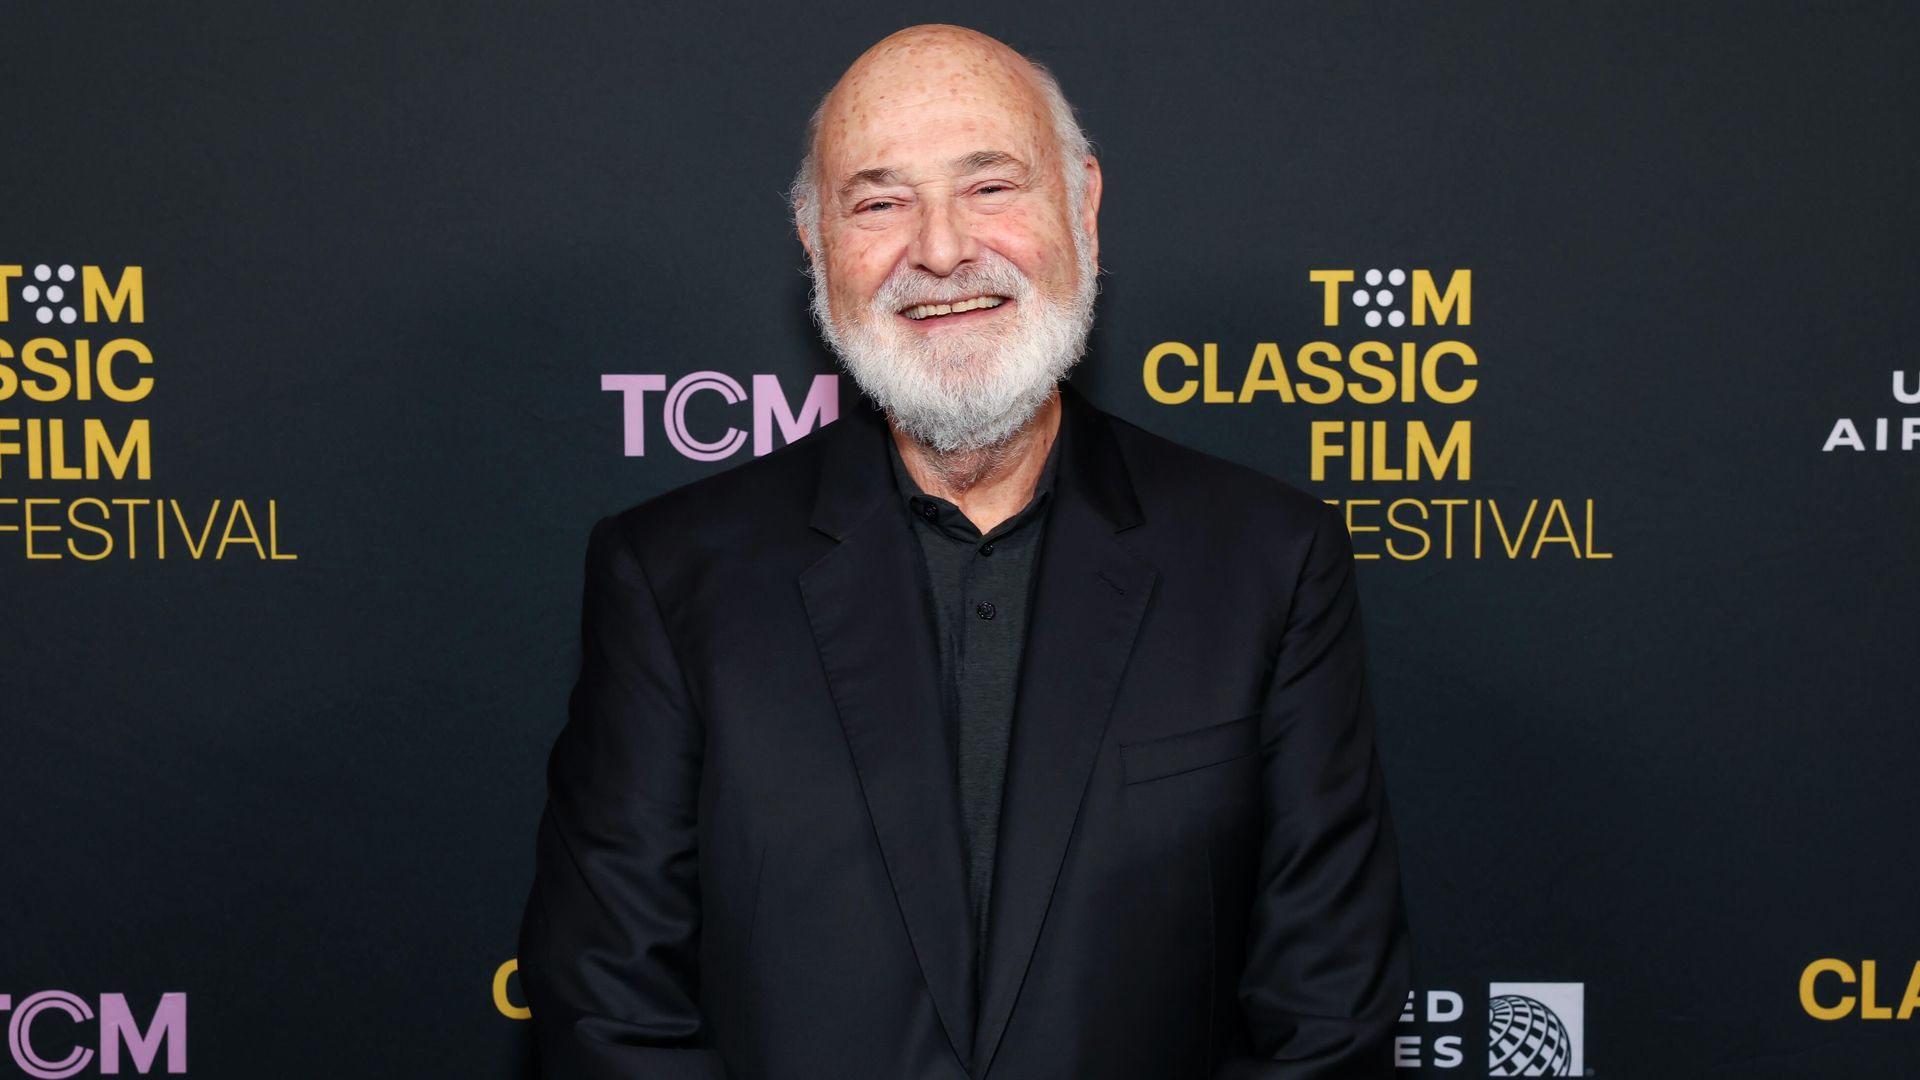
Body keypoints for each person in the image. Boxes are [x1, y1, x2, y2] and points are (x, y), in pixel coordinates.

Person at [519, 23, 1410, 1080]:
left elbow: (1328, 1014)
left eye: (990, 187)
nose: (940, 251)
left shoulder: (1268, 559)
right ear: (816, 242)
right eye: (879, 204)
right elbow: (610, 1013)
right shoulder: (670, 576)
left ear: (1081, 203)